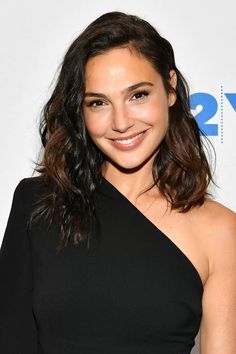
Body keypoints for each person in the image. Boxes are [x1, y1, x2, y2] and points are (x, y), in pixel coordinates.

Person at [0, 11, 235, 354]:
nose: (121, 122)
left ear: (170, 89)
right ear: (80, 112)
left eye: (138, 95)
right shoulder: (37, 203)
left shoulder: (221, 231)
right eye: (98, 103)